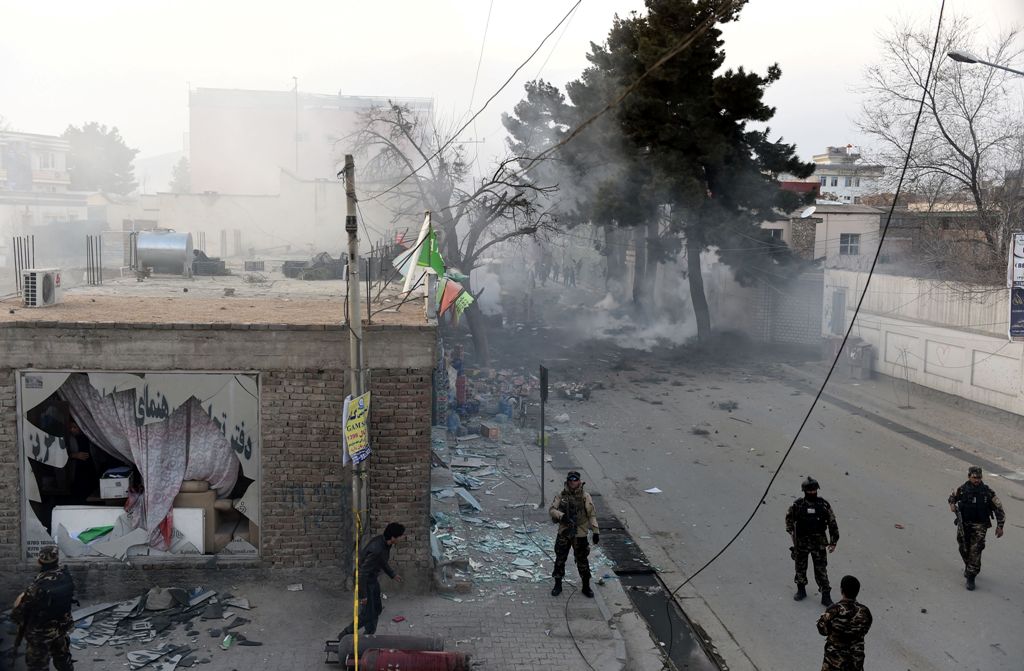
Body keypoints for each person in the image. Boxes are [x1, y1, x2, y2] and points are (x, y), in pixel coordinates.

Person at [11, 546, 76, 671]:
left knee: (38, 666)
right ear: (57, 560)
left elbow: (19, 613)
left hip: (41, 633)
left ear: (39, 561)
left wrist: (18, 603)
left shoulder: (37, 587)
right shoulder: (65, 576)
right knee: (63, 660)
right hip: (61, 628)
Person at [339, 522, 405, 637]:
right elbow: (362, 573)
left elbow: (382, 561)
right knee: (367, 614)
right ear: (393, 537)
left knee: (377, 609)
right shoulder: (377, 549)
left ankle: (369, 634)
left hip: (372, 579)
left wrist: (392, 574)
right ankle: (344, 635)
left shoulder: (385, 543)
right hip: (364, 582)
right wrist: (363, 595)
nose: (401, 538)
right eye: (400, 536)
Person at [948, 465, 1005, 590]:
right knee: (963, 548)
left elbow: (999, 508)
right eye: (974, 477)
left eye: (979, 477)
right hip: (964, 524)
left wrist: (1000, 526)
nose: (977, 480)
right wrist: (952, 504)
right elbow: (952, 497)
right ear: (969, 477)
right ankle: (969, 566)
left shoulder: (987, 492)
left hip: (980, 525)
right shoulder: (962, 489)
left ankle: (971, 576)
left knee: (976, 549)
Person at [785, 476, 839, 605]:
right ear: (804, 491)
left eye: (814, 490)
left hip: (819, 544)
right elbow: (789, 521)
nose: (812, 492)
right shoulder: (797, 505)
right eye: (809, 490)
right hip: (801, 543)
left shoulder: (823, 505)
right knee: (800, 568)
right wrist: (792, 535)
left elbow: (832, 523)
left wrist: (833, 542)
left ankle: (826, 595)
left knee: (821, 570)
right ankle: (801, 590)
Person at [549, 471, 599, 598]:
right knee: (560, 559)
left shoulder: (585, 496)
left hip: (580, 532)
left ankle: (586, 586)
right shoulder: (561, 495)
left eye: (575, 480)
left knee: (582, 560)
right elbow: (552, 510)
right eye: (570, 480)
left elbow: (591, 515)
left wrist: (595, 531)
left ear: (579, 481)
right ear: (568, 481)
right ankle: (558, 584)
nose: (573, 482)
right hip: (565, 531)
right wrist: (562, 516)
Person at [816, 575, 873, 671]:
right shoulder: (865, 612)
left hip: (833, 661)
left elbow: (822, 630)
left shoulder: (833, 610)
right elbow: (865, 630)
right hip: (855, 660)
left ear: (842, 590)